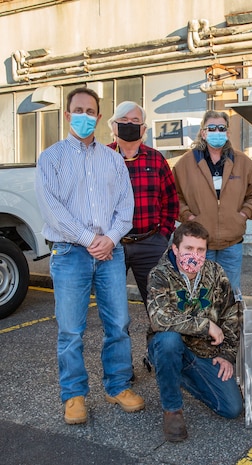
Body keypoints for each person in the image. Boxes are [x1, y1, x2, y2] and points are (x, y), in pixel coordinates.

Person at [35, 87, 144, 425]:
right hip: (69, 253)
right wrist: (89, 239)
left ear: (99, 118)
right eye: (77, 110)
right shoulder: (51, 158)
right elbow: (52, 210)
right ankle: (74, 395)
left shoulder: (113, 159)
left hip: (110, 253)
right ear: (67, 116)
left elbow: (126, 207)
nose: (84, 116)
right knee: (70, 330)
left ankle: (117, 385)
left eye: (90, 111)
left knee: (119, 325)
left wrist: (109, 239)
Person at [147, 221, 243, 442]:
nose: (195, 254)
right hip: (167, 345)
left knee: (231, 408)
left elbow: (230, 313)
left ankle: (172, 373)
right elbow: (160, 318)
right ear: (175, 249)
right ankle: (172, 410)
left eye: (200, 250)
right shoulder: (160, 275)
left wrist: (227, 355)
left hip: (204, 352)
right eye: (189, 248)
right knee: (169, 341)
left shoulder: (215, 272)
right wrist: (206, 325)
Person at [172, 110, 252, 293]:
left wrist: (244, 214)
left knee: (230, 292)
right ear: (203, 133)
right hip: (198, 244)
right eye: (211, 128)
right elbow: (174, 195)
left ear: (228, 133)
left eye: (221, 128)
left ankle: (227, 323)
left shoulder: (243, 162)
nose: (217, 132)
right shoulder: (185, 164)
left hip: (232, 243)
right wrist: (188, 217)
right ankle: (203, 323)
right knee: (199, 292)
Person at [107, 102, 179, 308]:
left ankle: (160, 341)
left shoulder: (156, 159)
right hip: (112, 246)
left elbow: (171, 201)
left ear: (144, 129)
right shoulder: (101, 158)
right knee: (113, 309)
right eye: (124, 121)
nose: (129, 125)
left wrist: (162, 236)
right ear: (113, 126)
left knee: (159, 306)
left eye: (135, 121)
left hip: (150, 244)